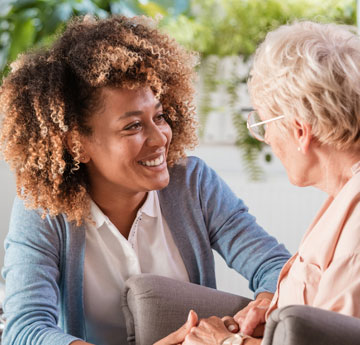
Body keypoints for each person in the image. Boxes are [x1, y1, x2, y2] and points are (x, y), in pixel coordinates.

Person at [0, 15, 290, 345]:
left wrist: (262, 307)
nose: (160, 137)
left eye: (160, 116)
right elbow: (24, 329)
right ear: (77, 144)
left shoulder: (194, 184)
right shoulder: (42, 210)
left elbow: (276, 267)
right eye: (133, 126)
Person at [161, 20, 360, 345]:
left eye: (264, 122)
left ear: (300, 131)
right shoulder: (342, 197)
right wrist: (270, 315)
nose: (265, 137)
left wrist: (224, 342)